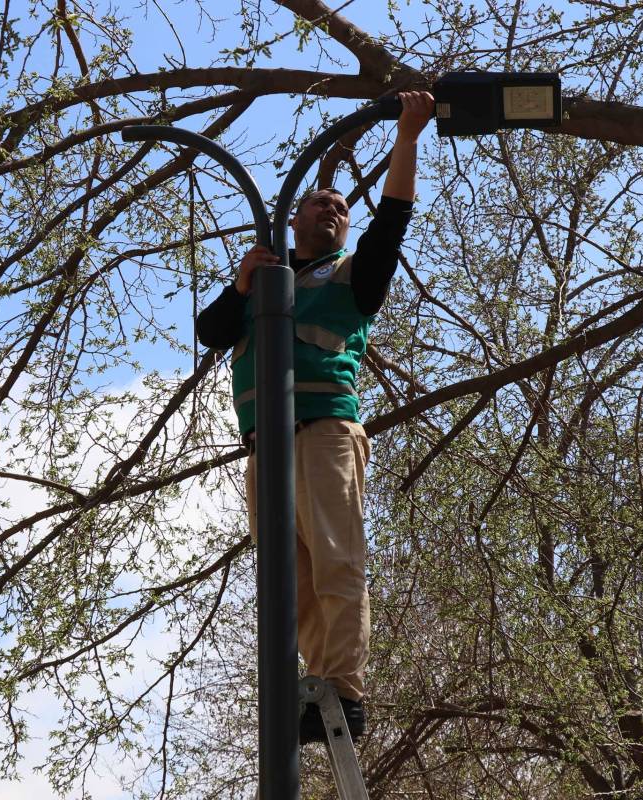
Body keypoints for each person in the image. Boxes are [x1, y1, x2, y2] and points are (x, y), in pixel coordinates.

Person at [196, 91, 435, 743]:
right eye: (321, 202)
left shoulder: (353, 276)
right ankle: (318, 682)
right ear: (294, 219)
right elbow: (211, 330)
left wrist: (407, 138)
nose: (333, 209)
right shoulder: (260, 287)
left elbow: (393, 217)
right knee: (290, 576)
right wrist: (242, 283)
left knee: (335, 561)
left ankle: (344, 692)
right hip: (263, 448)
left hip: (325, 433)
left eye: (342, 208)